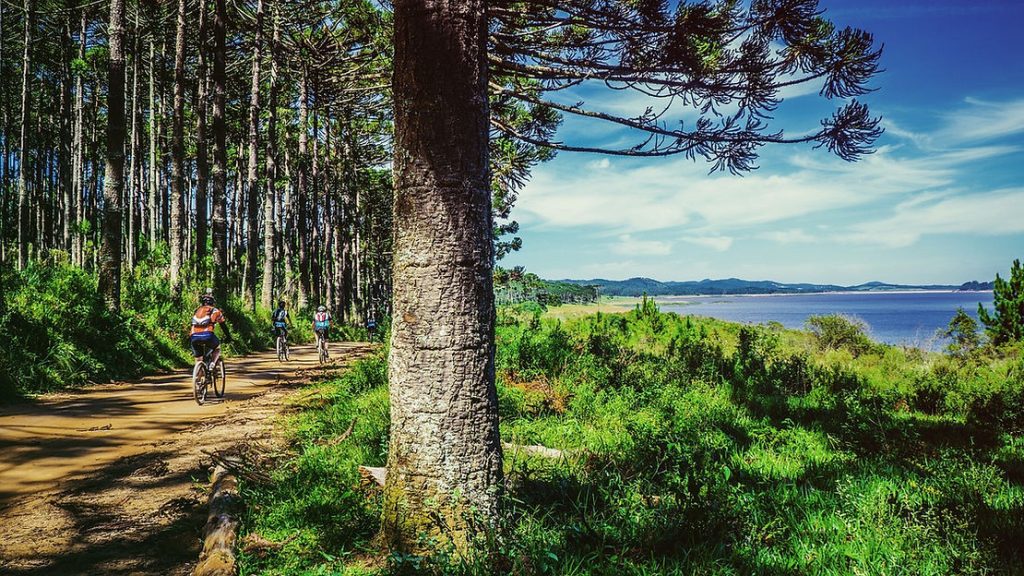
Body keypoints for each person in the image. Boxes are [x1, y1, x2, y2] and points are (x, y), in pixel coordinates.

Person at [190, 292, 231, 366]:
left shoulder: (197, 310)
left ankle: (198, 374)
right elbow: (223, 325)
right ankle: (212, 363)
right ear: (213, 302)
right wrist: (228, 337)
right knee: (217, 348)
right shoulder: (216, 311)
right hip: (208, 336)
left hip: (194, 336)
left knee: (198, 358)